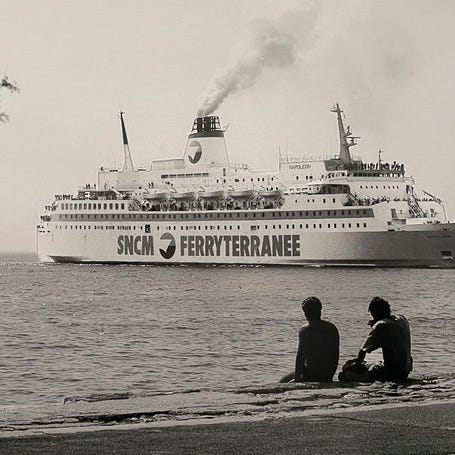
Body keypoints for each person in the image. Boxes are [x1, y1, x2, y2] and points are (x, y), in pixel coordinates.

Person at [340, 296, 413, 382]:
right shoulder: (402, 319)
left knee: (344, 374)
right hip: (405, 370)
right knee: (374, 362)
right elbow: (391, 332)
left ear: (374, 313)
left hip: (391, 373)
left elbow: (362, 353)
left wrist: (352, 363)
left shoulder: (381, 325)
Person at [280, 297, 339, 383]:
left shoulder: (305, 330)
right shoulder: (332, 328)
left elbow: (300, 356)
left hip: (311, 375)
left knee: (284, 380)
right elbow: (335, 356)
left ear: (306, 313)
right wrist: (329, 376)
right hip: (328, 374)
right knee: (288, 377)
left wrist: (297, 379)